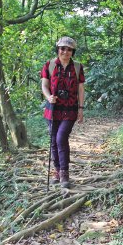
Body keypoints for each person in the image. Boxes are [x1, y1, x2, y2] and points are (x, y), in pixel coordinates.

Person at [41, 36, 85, 189]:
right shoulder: (50, 65)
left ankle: (65, 173)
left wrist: (81, 108)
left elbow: (80, 88)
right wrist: (49, 96)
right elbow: (44, 86)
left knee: (61, 138)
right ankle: (57, 171)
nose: (65, 52)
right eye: (62, 48)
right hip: (52, 109)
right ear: (58, 49)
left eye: (69, 49)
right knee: (53, 140)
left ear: (73, 52)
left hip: (70, 109)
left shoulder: (78, 67)